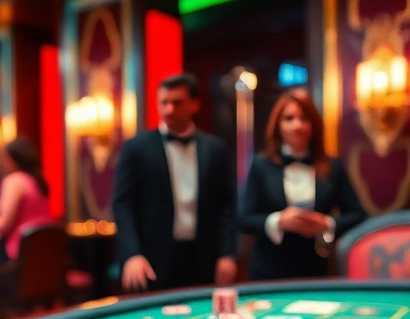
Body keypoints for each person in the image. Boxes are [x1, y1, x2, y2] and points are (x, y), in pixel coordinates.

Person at [113, 73, 238, 291]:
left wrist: (227, 254)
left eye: (177, 103)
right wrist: (132, 254)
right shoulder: (136, 148)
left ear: (194, 104)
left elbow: (226, 205)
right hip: (150, 260)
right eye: (164, 103)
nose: (169, 110)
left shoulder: (214, 148)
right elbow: (122, 205)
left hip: (203, 259)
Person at [239, 89, 366, 280]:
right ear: (278, 125)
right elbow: (243, 218)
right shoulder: (261, 165)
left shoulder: (333, 166)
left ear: (314, 125)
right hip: (268, 268)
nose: (297, 125)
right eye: (289, 118)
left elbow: (357, 214)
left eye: (304, 118)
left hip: (317, 267)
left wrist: (326, 223)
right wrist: (278, 221)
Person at [0, 139, 53, 263]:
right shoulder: (36, 180)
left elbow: (4, 225)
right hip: (44, 252)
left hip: (19, 254)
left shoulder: (14, 181)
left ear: (11, 159)